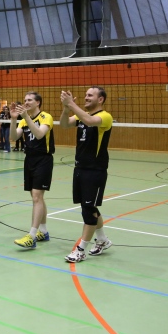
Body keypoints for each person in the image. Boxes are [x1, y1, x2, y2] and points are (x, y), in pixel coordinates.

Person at [59, 86, 114, 263]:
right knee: (88, 207)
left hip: (95, 170)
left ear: (100, 99)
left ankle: (81, 249)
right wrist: (66, 108)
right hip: (79, 169)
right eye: (86, 95)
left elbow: (90, 121)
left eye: (90, 95)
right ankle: (102, 239)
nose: (86, 97)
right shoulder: (81, 116)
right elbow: (64, 124)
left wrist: (71, 104)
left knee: (88, 210)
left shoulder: (105, 117)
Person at [10, 93, 55, 250]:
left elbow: (39, 134)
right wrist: (14, 119)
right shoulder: (23, 120)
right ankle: (43, 231)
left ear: (38, 102)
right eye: (25, 100)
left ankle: (32, 236)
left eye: (30, 100)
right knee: (37, 197)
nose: (26, 102)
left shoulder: (46, 117)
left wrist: (26, 117)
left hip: (43, 159)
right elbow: (14, 137)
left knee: (37, 196)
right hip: (29, 160)